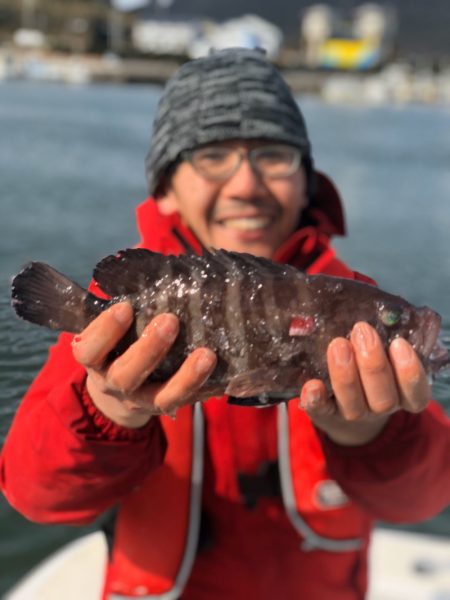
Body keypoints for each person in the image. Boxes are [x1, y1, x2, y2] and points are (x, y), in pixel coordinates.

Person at [1, 47, 450, 600]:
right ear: (164, 188)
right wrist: (109, 409)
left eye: (273, 155)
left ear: (308, 180)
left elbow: (424, 499)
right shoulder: (115, 325)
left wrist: (370, 429)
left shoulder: (349, 294)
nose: (246, 185)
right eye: (212, 155)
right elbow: (38, 496)